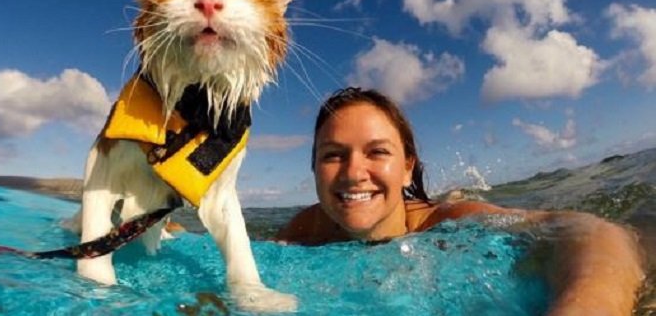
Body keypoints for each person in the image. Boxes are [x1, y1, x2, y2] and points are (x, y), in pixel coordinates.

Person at [276, 87, 645, 315]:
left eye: (377, 152)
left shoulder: (448, 223)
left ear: (407, 169)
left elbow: (589, 231)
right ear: (313, 168)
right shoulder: (308, 229)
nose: (353, 172)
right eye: (333, 155)